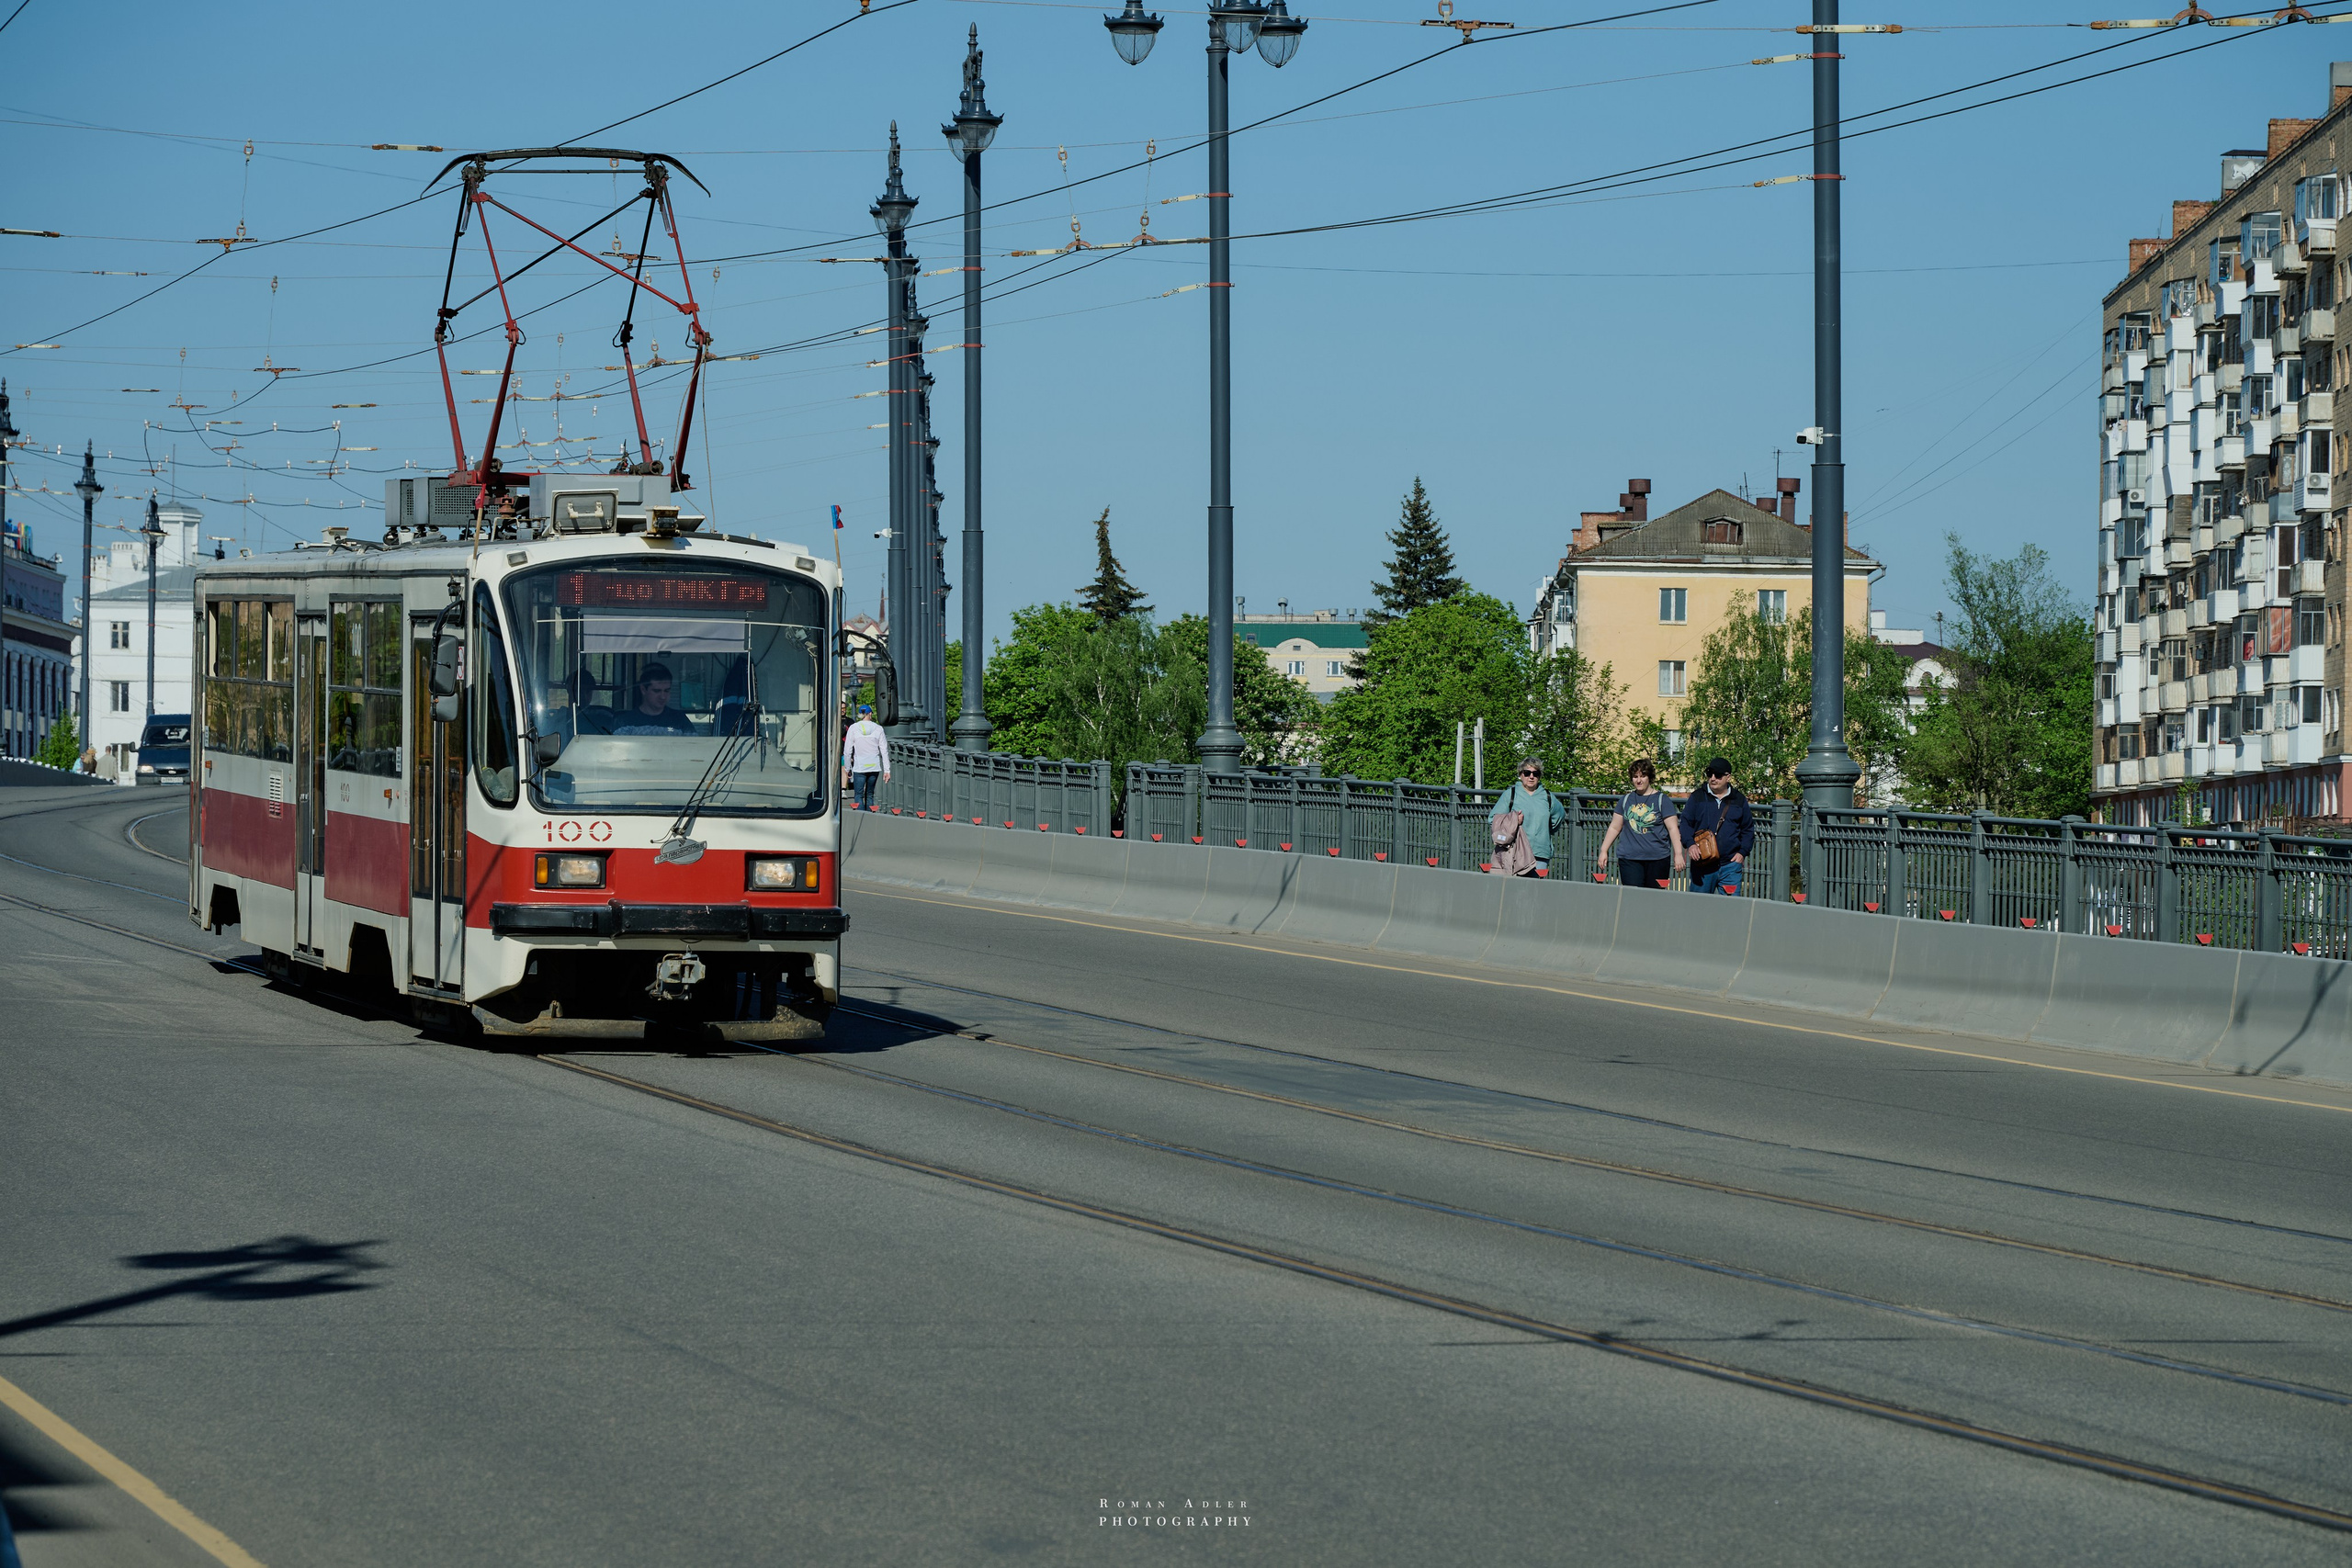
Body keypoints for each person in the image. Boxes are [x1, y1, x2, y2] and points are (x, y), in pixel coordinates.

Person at [1596, 758, 1684, 889]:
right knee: (1633, 897)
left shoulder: (1662, 800)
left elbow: (1673, 829)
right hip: (1630, 858)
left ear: (1649, 777)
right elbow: (1615, 827)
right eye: (1635, 777)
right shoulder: (1625, 800)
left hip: (1657, 858)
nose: (1639, 780)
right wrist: (1604, 850)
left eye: (1643, 776)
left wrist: (1678, 854)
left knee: (1653, 898)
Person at [1681, 756, 1753, 896]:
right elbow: (1685, 823)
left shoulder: (1739, 799)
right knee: (1699, 908)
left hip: (1730, 865)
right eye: (1710, 774)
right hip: (1702, 864)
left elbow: (1748, 829)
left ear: (1728, 777)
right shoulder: (1697, 797)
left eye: (1718, 775)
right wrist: (1690, 844)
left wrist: (1742, 853)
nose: (1713, 778)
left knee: (1730, 910)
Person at [1489, 758, 1569, 877]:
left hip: (1539, 853)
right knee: (1515, 890)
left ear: (1539, 776)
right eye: (1527, 773)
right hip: (1514, 852)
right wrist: (1514, 821)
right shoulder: (1510, 794)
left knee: (1536, 891)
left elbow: (1559, 817)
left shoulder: (1548, 797)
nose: (1531, 777)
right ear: (1520, 775)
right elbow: (1494, 820)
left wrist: (1545, 831)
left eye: (1535, 774)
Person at [610, 662, 695, 737]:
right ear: (643, 689)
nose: (663, 696)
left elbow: (694, 747)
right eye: (657, 691)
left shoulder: (680, 719)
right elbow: (617, 751)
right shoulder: (625, 722)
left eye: (666, 691)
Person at [842, 704, 889, 811]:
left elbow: (847, 750)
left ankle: (861, 819)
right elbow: (884, 750)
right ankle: (870, 819)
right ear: (870, 714)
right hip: (874, 766)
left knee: (858, 794)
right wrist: (887, 770)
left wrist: (847, 768)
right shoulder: (878, 728)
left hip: (860, 767)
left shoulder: (854, 728)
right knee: (870, 794)